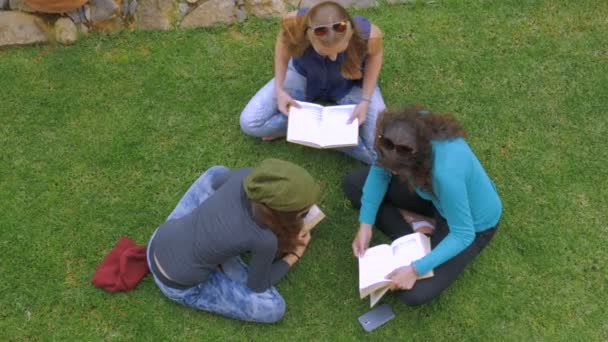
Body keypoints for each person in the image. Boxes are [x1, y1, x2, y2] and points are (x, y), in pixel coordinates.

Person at [343, 106, 502, 305]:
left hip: (473, 223)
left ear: (418, 161)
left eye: (397, 172)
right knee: (353, 184)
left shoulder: (446, 175)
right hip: (431, 197)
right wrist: (365, 224)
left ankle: (418, 238)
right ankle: (420, 235)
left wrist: (414, 270)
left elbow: (463, 233)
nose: (392, 175)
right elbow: (380, 171)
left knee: (414, 293)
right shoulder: (398, 133)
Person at [147, 159, 320, 323]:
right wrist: (294, 254)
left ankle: (221, 254)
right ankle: (221, 265)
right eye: (303, 213)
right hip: (176, 284)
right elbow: (258, 285)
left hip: (160, 239)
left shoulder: (245, 176)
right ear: (282, 216)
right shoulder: (265, 239)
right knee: (274, 307)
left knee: (217, 171)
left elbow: (215, 183)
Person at [239, 1, 385, 164]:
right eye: (324, 52)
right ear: (309, 37)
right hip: (304, 78)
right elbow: (282, 48)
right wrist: (280, 89)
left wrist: (365, 100)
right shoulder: (293, 24)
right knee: (250, 123)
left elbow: (375, 58)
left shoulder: (370, 35)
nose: (334, 57)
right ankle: (337, 134)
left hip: (350, 85)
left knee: (380, 153)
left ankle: (324, 135)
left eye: (340, 50)